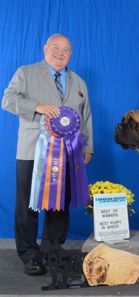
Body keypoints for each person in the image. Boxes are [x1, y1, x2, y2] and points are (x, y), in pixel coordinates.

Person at [1, 34, 93, 275]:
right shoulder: (26, 72)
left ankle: (52, 250)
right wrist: (36, 107)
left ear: (71, 54)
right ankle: (29, 254)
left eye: (66, 49)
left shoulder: (79, 82)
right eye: (55, 47)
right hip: (33, 151)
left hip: (69, 154)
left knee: (59, 205)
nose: (60, 53)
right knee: (28, 205)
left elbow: (85, 117)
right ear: (45, 49)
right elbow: (7, 100)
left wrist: (87, 147)